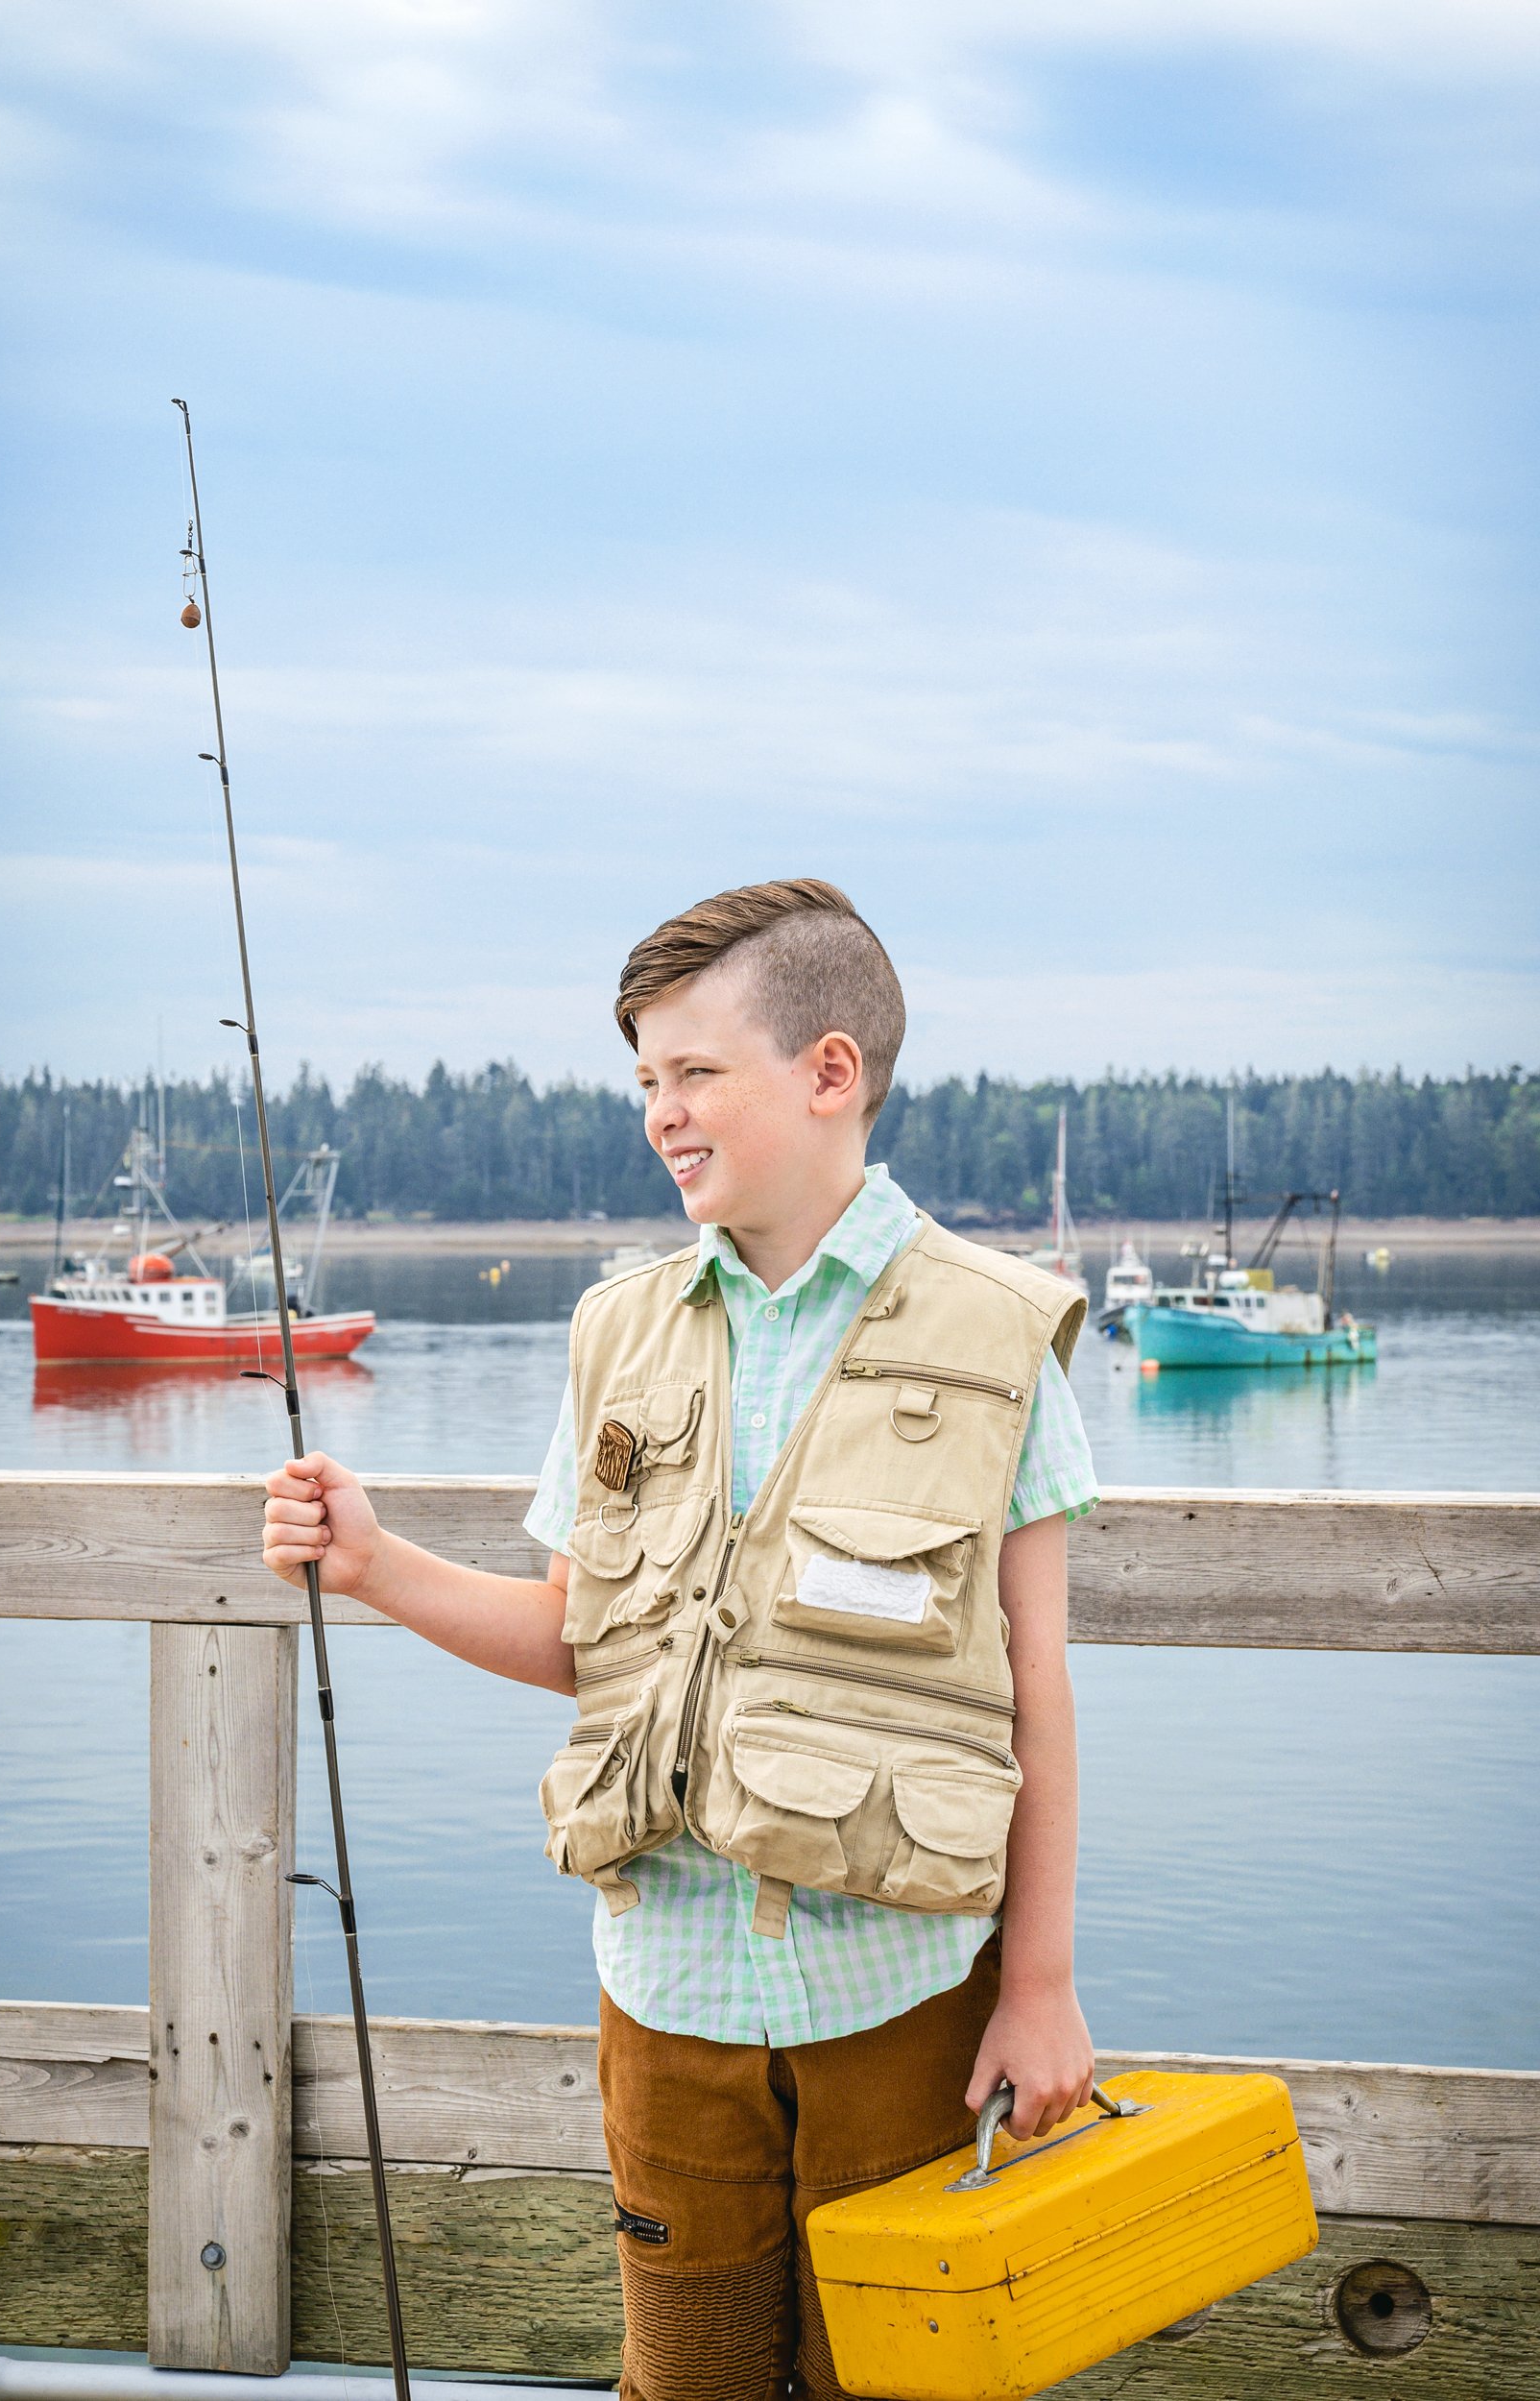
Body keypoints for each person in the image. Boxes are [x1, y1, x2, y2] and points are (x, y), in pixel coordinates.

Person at [262, 878, 1100, 2401]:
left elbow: (1035, 1684)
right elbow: (587, 1644)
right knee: (685, 2376)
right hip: (664, 2000)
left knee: (901, 2379)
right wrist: (375, 1564)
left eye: (697, 1071)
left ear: (829, 1073)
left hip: (904, 1998)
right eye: (647, 1077)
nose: (663, 1111)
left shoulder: (997, 1334)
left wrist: (1038, 1981)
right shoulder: (619, 1331)